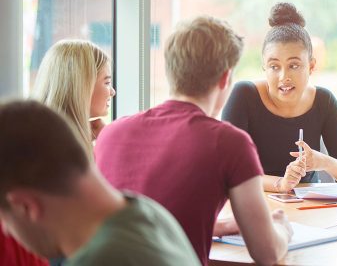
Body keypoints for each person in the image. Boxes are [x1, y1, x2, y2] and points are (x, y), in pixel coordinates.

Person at [95, 16, 293, 265]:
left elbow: (145, 222)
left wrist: (219, 226)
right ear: (225, 78)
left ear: (170, 71)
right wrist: (282, 228)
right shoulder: (228, 142)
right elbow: (267, 253)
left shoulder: (111, 133)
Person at [0, 100, 200, 265]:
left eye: (5, 220)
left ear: (25, 206)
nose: (7, 230)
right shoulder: (150, 213)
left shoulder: (99, 260)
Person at [222, 2, 337, 193]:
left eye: (294, 66)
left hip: (306, 205)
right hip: (257, 201)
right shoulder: (244, 96)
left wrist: (322, 161)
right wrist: (280, 183)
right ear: (264, 67)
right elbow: (229, 172)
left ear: (311, 66)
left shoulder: (323, 101)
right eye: (274, 66)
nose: (283, 77)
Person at [31, 40, 116, 158]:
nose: (112, 92)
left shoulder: (40, 138)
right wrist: (109, 144)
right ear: (83, 86)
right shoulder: (64, 155)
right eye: (107, 82)